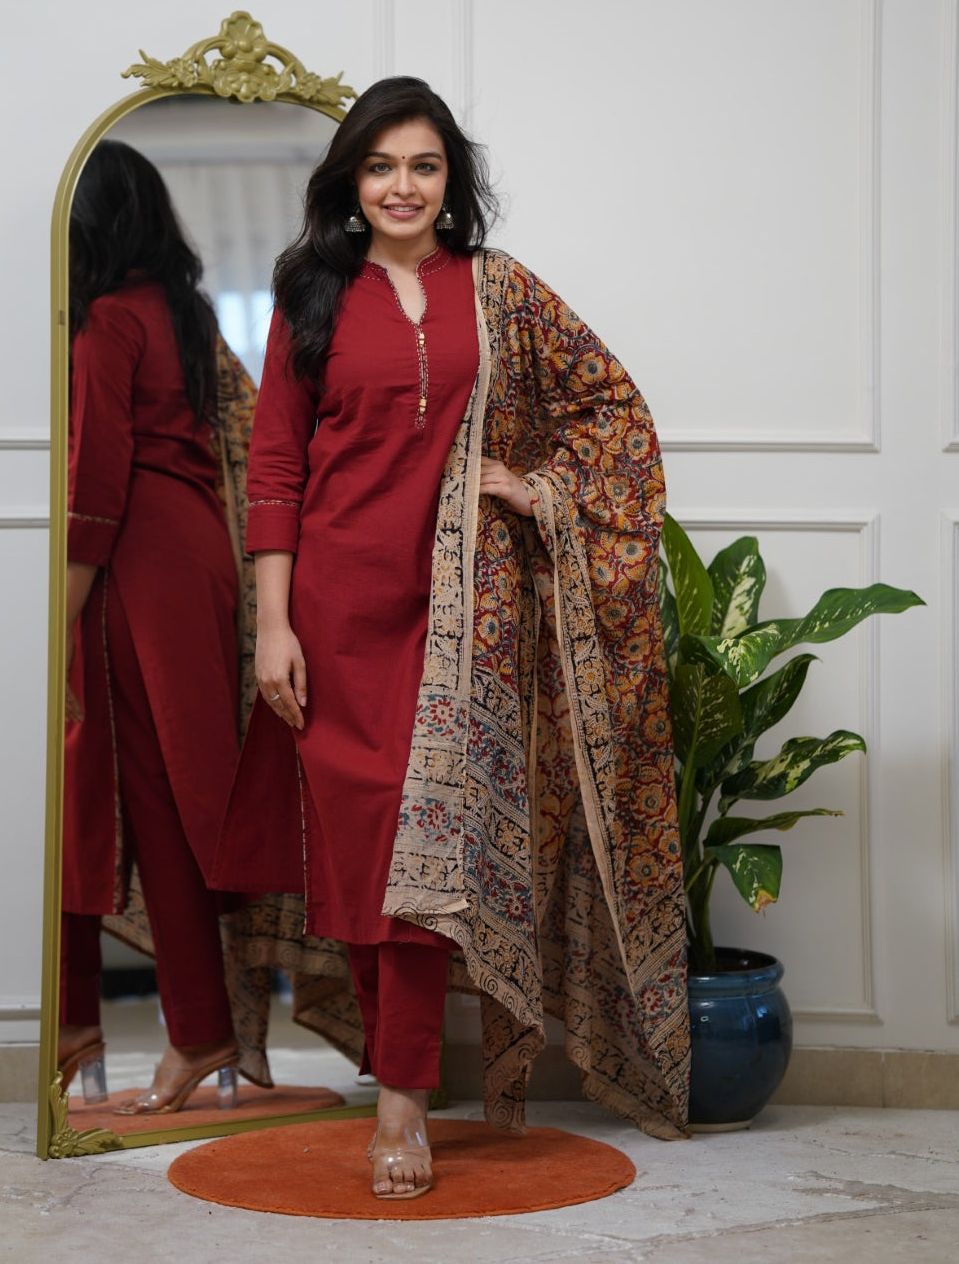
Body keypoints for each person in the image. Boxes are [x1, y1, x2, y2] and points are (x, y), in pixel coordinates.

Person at [212, 78, 690, 1198]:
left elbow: (612, 411)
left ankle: (403, 1098)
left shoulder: (499, 292)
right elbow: (276, 465)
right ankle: (399, 1076)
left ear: (450, 179)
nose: (402, 187)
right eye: (380, 166)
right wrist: (273, 624)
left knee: (426, 862)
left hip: (462, 617)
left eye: (423, 166)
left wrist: (535, 485)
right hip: (335, 612)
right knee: (365, 859)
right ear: (351, 180)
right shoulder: (312, 294)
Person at [61, 138, 246, 1115]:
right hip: (197, 550)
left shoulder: (104, 320)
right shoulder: (183, 310)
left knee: (138, 794)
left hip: (137, 559)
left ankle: (180, 1026)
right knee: (171, 795)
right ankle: (185, 1023)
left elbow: (95, 482)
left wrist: (56, 616)